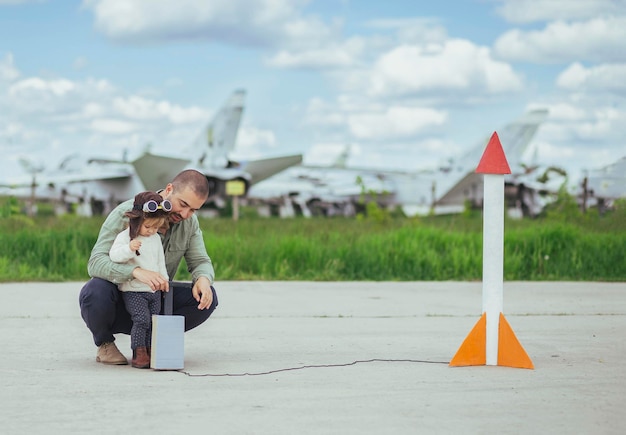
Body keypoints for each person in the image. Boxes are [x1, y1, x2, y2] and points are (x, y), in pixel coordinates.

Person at [79, 169, 218, 365]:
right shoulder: (127, 212)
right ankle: (105, 345)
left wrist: (203, 279)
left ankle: (154, 342)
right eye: (183, 204)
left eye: (193, 210)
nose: (186, 214)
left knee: (207, 298)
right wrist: (135, 272)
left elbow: (201, 261)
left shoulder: (189, 223)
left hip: (155, 300)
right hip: (122, 296)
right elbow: (95, 263)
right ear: (169, 189)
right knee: (94, 292)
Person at [108, 191, 171, 368]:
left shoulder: (156, 239)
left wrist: (164, 279)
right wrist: (129, 249)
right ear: (137, 220)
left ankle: (152, 350)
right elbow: (114, 256)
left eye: (156, 227)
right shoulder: (127, 237)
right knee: (141, 319)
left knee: (153, 321)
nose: (151, 231)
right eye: (148, 226)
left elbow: (160, 261)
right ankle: (139, 352)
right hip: (134, 290)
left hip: (154, 290)